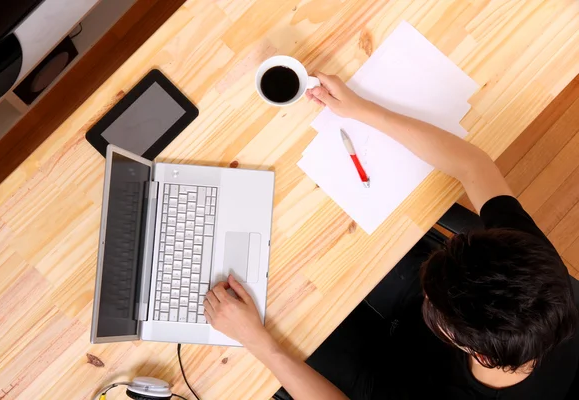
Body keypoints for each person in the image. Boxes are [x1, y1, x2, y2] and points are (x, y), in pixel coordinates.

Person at [202, 72, 579, 399]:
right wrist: (362, 110)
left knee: (269, 306)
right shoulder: (535, 274)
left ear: (475, 353)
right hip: (443, 316)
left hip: (388, 385)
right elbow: (472, 165)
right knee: (299, 247)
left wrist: (261, 344)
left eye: (433, 301)